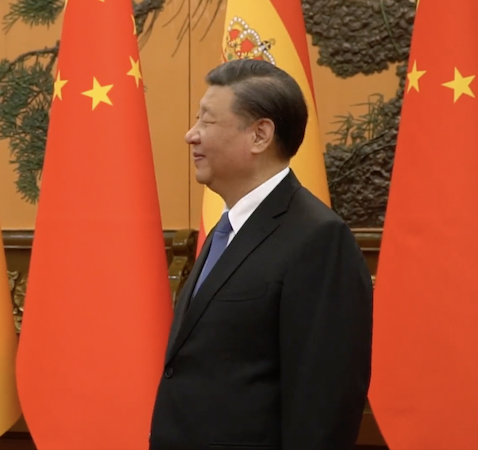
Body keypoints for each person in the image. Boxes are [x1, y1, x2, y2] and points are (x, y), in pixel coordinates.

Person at [149, 59, 373, 450]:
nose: (191, 135)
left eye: (207, 122)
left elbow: (323, 409)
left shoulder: (318, 240)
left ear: (260, 135)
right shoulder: (227, 231)